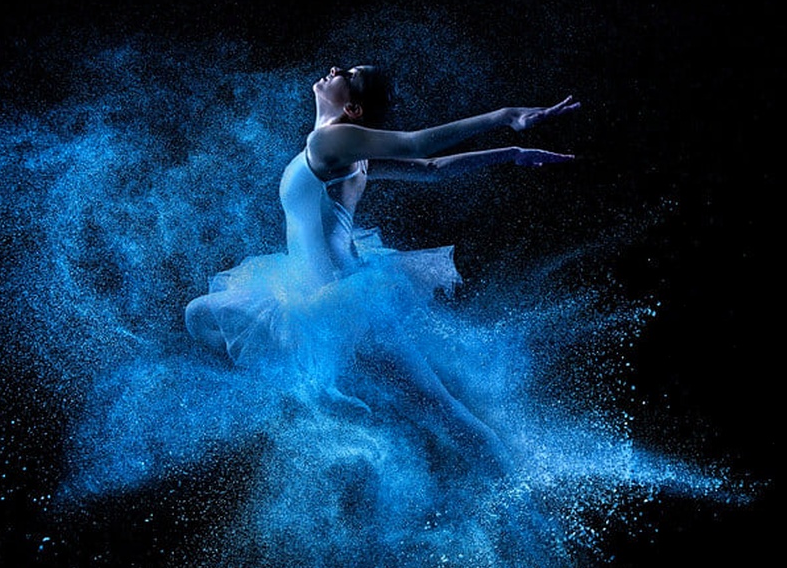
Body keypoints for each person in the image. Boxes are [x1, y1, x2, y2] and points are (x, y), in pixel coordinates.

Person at [184, 65, 579, 477]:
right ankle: (322, 387)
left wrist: (503, 116)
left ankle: (521, 491)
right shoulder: (344, 150)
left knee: (442, 410)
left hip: (343, 300)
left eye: (349, 75)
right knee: (200, 315)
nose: (336, 69)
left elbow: (416, 145)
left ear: (352, 107)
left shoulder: (330, 139)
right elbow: (431, 169)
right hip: (311, 291)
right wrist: (511, 154)